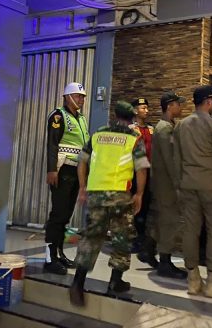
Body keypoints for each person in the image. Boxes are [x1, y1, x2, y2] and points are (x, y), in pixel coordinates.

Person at [69, 101, 149, 306]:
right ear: (131, 117)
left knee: (91, 237)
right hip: (120, 195)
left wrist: (82, 187)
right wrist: (139, 194)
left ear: (115, 115)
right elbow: (141, 168)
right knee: (122, 237)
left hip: (96, 194)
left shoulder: (98, 134)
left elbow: (82, 161)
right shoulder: (133, 137)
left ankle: (78, 283)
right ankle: (115, 282)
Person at [174, 85, 212, 298]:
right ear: (209, 102)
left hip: (188, 185)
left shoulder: (181, 126)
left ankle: (193, 280)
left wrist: (179, 184)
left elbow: (176, 159)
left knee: (190, 230)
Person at [44, 82, 90, 274]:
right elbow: (52, 144)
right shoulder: (58, 116)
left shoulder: (81, 118)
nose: (81, 100)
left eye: (83, 97)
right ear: (67, 96)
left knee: (66, 216)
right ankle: (50, 258)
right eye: (78, 96)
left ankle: (59, 253)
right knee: (58, 214)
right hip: (61, 170)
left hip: (76, 171)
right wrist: (51, 170)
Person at [151, 92, 187, 279]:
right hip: (166, 184)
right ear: (170, 106)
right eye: (178, 104)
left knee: (167, 220)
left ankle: (153, 253)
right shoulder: (164, 128)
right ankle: (164, 262)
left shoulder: (170, 126)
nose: (180, 107)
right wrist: (178, 184)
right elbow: (169, 159)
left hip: (166, 183)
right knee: (169, 221)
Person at [129, 97, 156, 267]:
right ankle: (132, 238)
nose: (146, 110)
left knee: (145, 206)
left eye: (147, 108)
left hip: (149, 171)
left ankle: (141, 238)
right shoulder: (130, 129)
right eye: (142, 108)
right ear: (135, 110)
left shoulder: (151, 129)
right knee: (132, 205)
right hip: (132, 172)